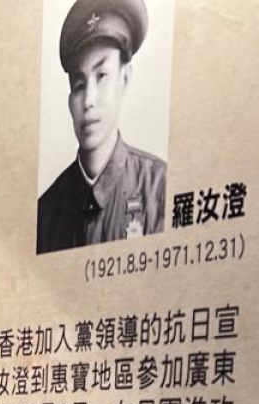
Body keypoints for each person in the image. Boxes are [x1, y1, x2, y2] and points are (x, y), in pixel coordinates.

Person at [35, 0, 168, 254]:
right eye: (79, 85)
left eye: (101, 76)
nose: (89, 101)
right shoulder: (46, 213)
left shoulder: (159, 188)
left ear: (125, 78)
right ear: (69, 100)